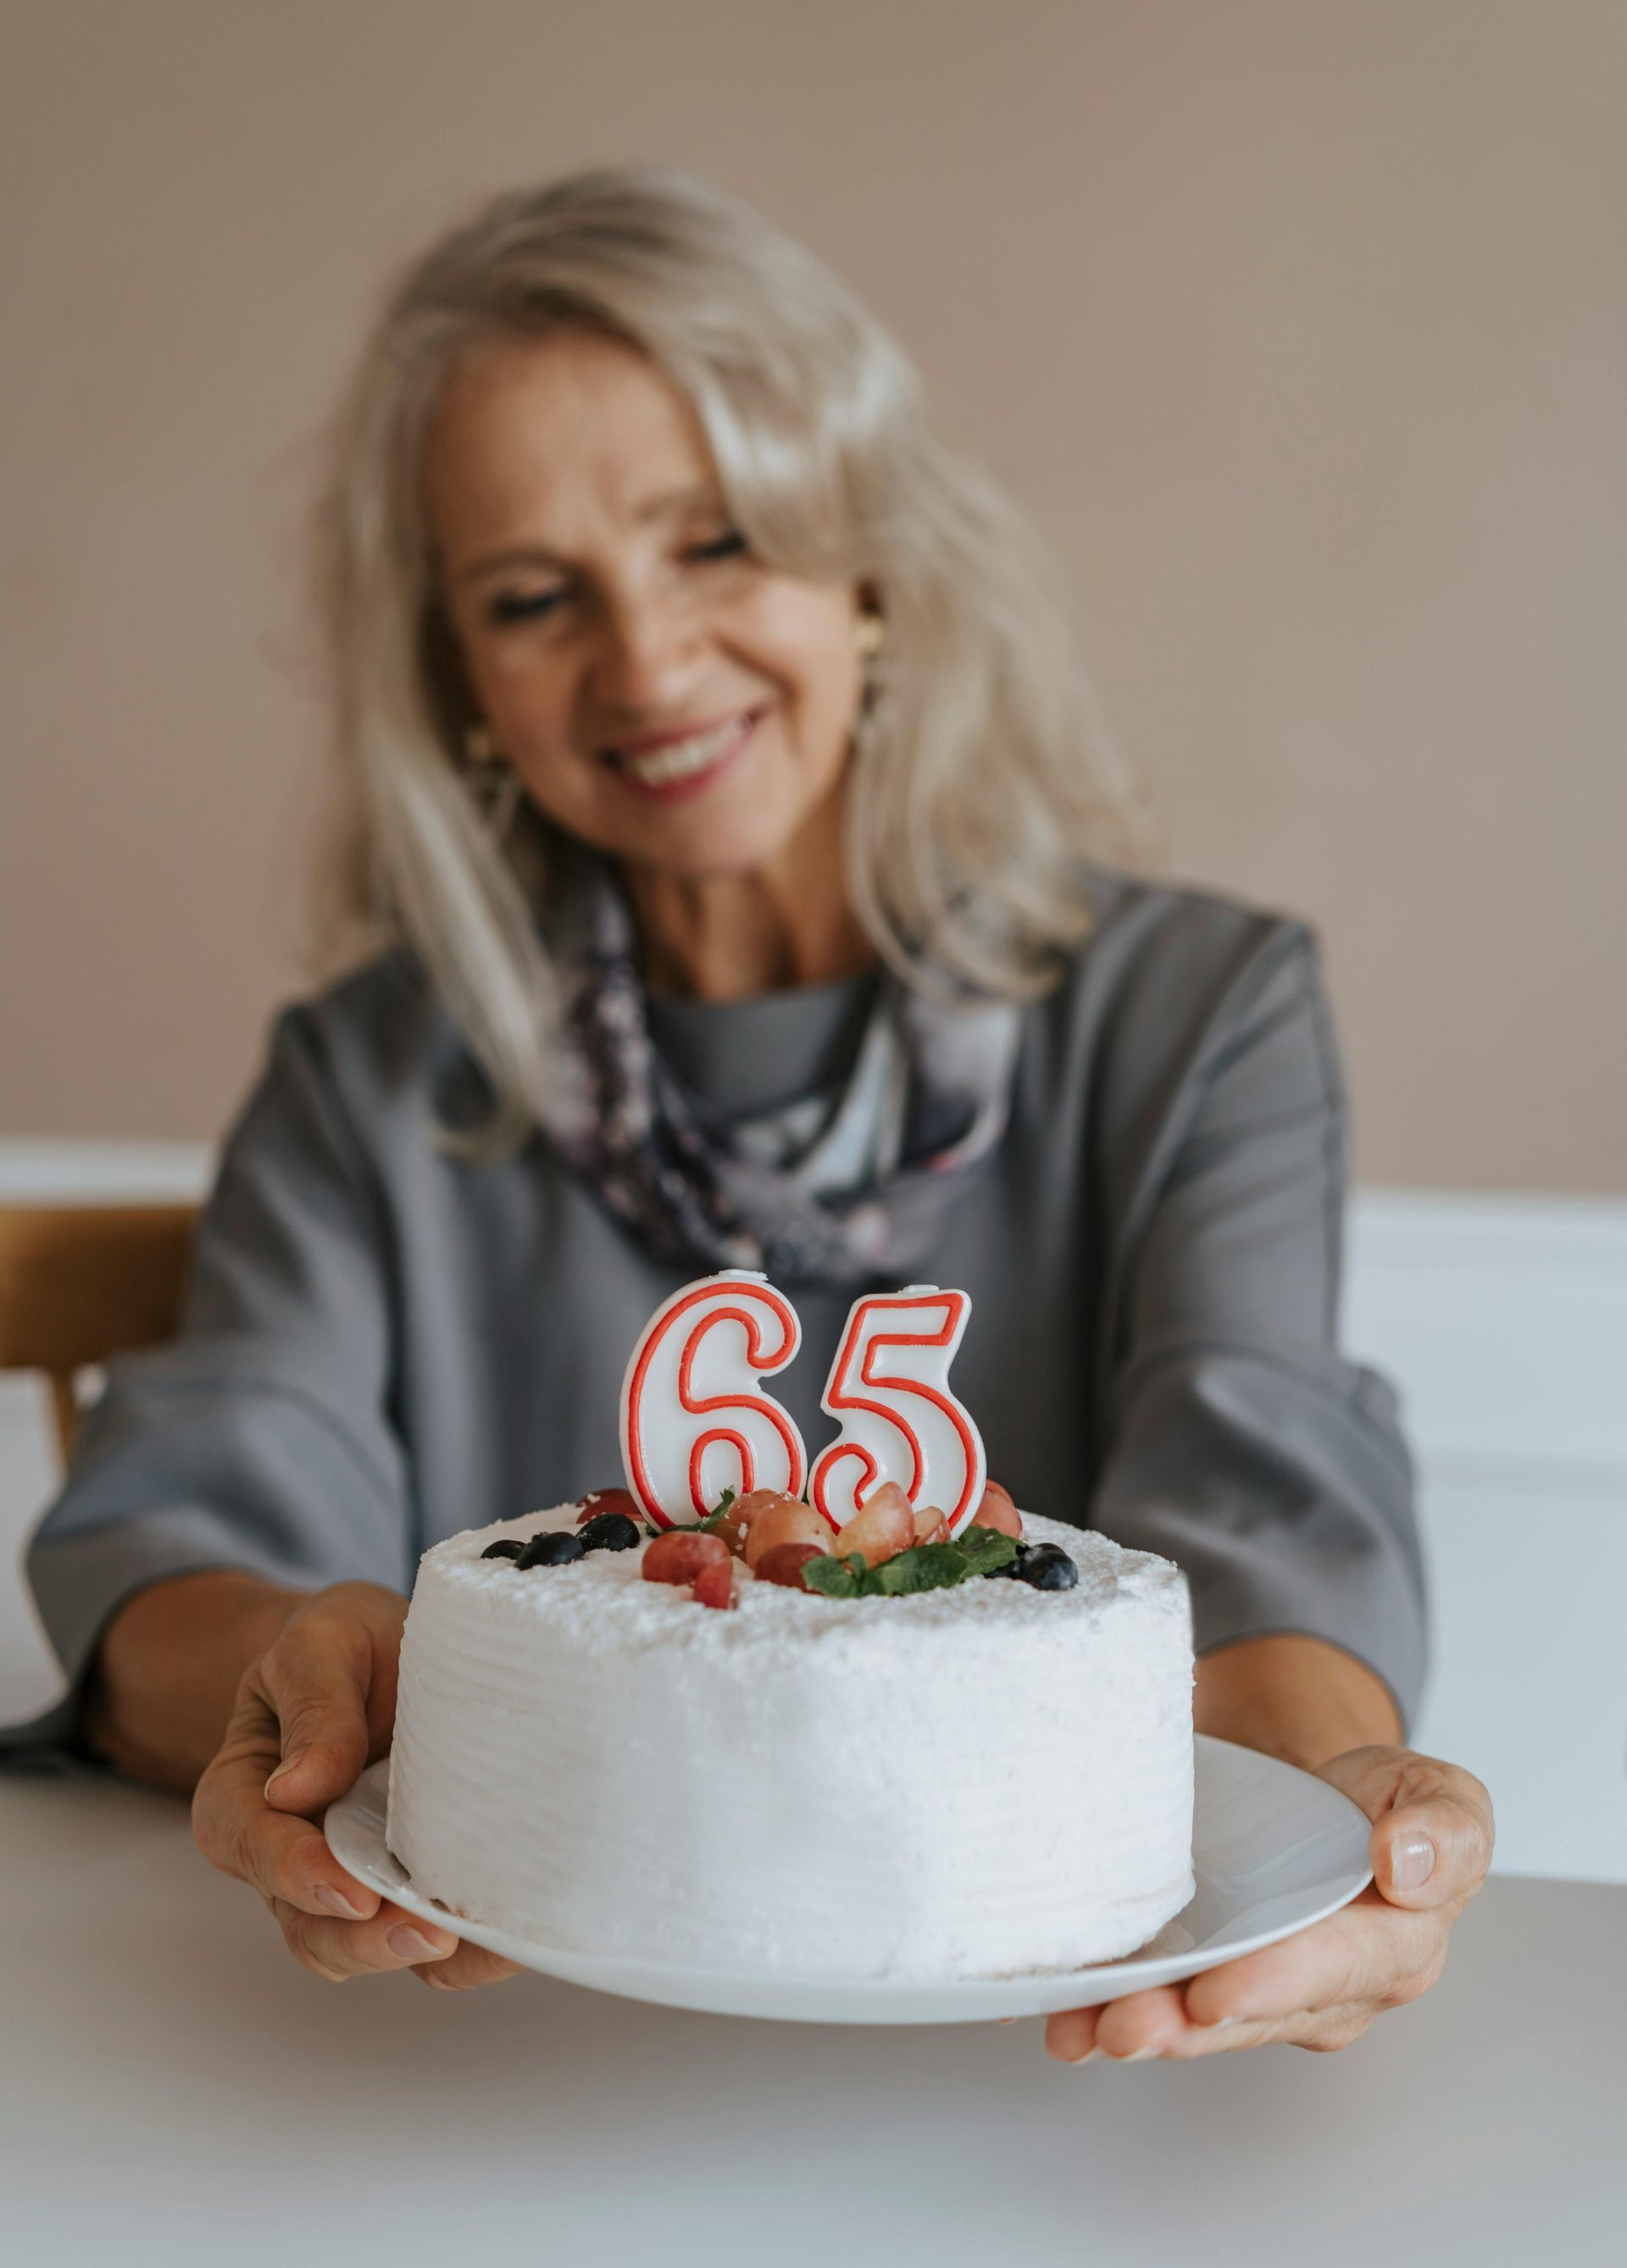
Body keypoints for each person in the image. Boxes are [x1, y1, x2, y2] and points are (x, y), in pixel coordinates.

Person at [16, 166, 1491, 2059]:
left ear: (868, 562)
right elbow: (191, 1526)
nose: (645, 664)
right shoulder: (375, 1073)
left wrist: (1317, 1832)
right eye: (536, 598)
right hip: (472, 2075)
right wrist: (302, 1695)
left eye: (717, 542)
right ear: (461, 681)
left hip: (1043, 2109)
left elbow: (1264, 1520)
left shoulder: (1200, 1019)